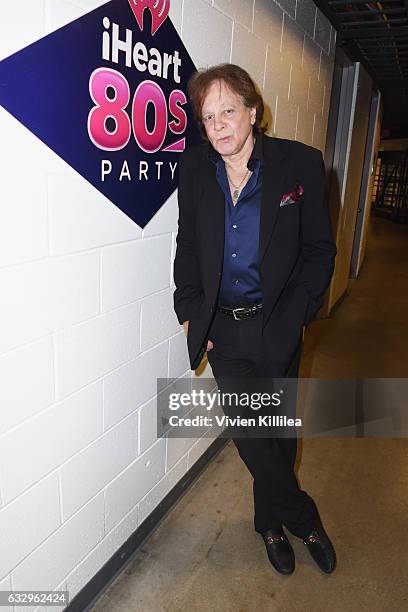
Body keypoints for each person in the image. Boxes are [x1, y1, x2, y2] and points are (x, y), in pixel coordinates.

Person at [173, 63, 337, 575]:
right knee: (252, 434)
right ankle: (303, 515)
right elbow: (186, 245)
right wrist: (187, 309)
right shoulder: (195, 169)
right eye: (207, 117)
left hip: (279, 324)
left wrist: (295, 319)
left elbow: (319, 253)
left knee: (279, 434)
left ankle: (268, 521)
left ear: (252, 112)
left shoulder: (301, 166)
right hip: (223, 330)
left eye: (227, 111)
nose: (218, 125)